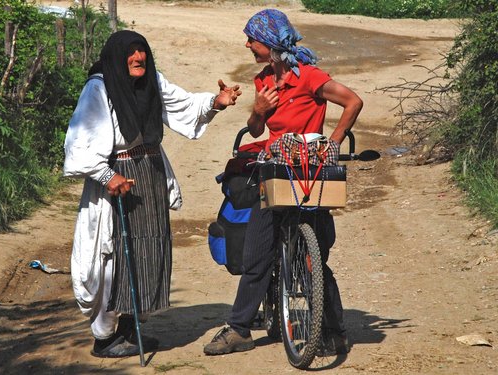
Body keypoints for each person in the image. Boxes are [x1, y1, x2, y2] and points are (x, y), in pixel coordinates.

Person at [63, 30, 241, 358]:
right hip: (115, 178)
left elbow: (181, 103)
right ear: (116, 57)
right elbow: (79, 140)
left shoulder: (151, 81)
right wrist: (106, 175)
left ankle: (132, 330)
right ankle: (105, 338)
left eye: (141, 51)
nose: (138, 58)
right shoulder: (99, 88)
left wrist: (215, 103)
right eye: (130, 53)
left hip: (150, 174)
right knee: (112, 254)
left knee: (148, 249)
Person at [203, 9, 363, 357]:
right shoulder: (263, 80)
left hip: (308, 173)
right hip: (274, 173)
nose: (248, 44)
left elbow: (353, 101)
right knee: (257, 255)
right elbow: (257, 130)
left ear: (271, 42)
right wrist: (258, 109)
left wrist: (332, 144)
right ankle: (240, 329)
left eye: (252, 39)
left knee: (314, 260)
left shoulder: (308, 77)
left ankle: (335, 333)